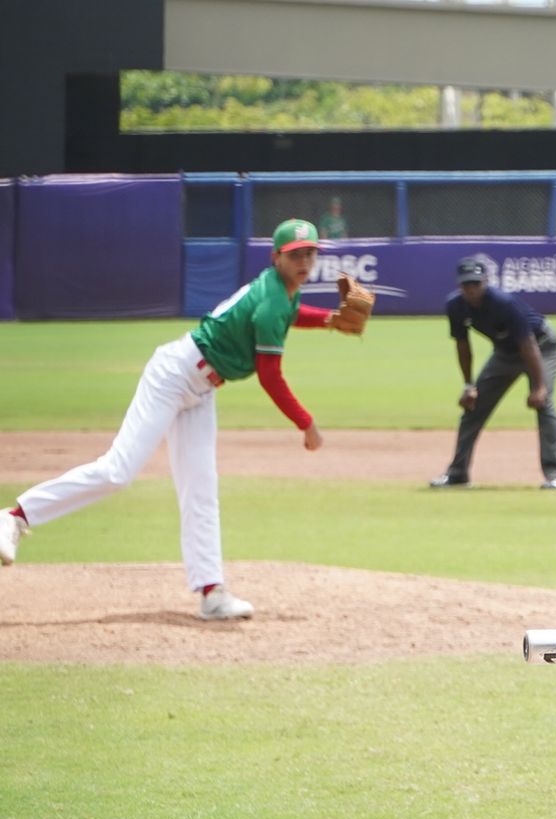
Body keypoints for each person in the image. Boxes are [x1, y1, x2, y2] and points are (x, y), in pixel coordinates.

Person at [0, 219, 342, 619]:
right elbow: (270, 375)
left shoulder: (281, 291)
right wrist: (306, 423)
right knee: (118, 470)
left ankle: (212, 593)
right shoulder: (271, 302)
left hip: (201, 389)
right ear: (276, 258)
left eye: (310, 253)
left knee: (201, 486)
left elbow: (294, 311)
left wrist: (330, 320)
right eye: (295, 254)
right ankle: (14, 517)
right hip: (174, 375)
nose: (304, 260)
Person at [429, 257, 556, 491]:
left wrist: (539, 387)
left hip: (542, 346)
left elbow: (529, 344)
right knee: (472, 407)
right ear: (459, 285)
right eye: (466, 285)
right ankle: (458, 474)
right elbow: (463, 345)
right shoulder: (455, 306)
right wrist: (468, 386)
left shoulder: (503, 303)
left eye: (475, 283)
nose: (471, 289)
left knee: (544, 404)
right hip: (505, 352)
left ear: (486, 281)